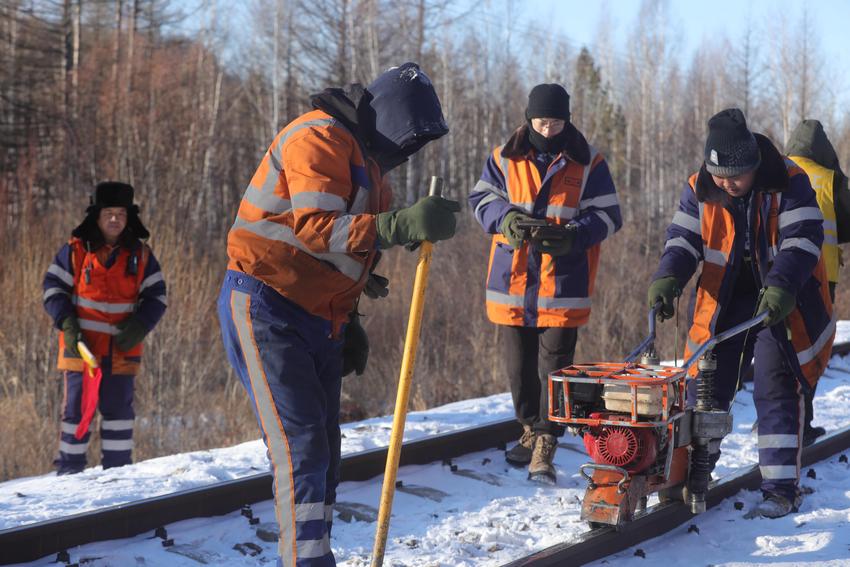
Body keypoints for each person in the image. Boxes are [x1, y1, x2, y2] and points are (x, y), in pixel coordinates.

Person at [217, 62, 459, 566]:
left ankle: (314, 553)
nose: (405, 154)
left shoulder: (370, 166)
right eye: (408, 141)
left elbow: (348, 250)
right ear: (387, 121)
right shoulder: (319, 136)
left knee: (324, 448)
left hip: (318, 317)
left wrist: (350, 317)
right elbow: (316, 228)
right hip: (266, 304)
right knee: (300, 446)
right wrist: (397, 225)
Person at [647, 109, 834, 518]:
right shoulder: (699, 188)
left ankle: (780, 488)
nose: (726, 184)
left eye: (734, 176)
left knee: (775, 384)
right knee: (706, 385)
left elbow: (803, 237)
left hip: (781, 301)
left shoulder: (789, 181)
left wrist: (782, 286)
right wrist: (668, 279)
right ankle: (696, 472)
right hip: (725, 301)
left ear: (752, 165)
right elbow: (683, 240)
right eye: (719, 176)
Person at [468, 83, 622, 483]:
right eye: (541, 122)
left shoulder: (589, 163)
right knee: (519, 369)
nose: (548, 129)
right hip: (513, 283)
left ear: (566, 121)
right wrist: (505, 219)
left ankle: (546, 441)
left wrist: (574, 235)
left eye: (555, 122)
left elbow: (608, 215)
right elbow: (481, 200)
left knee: (555, 367)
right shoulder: (502, 158)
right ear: (528, 119)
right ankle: (527, 427)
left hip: (562, 283)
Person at [42, 181, 167, 475]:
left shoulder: (142, 256)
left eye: (121, 214)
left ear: (129, 218)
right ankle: (69, 474)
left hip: (122, 350)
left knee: (119, 414)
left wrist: (140, 325)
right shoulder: (75, 251)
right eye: (109, 213)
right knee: (76, 412)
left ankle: (118, 474)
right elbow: (52, 290)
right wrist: (67, 324)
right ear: (96, 217)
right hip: (81, 350)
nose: (115, 220)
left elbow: (157, 297)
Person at [786, 119, 850, 445]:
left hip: (780, 278)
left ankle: (775, 419)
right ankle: (802, 421)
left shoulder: (776, 171)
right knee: (811, 351)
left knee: (779, 349)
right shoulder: (830, 179)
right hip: (820, 280)